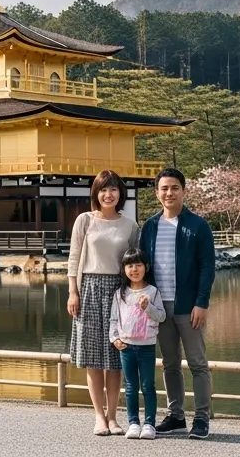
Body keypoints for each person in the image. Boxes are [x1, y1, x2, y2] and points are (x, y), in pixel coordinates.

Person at [139, 167, 216, 440]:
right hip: (160, 308)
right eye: (164, 188)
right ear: (157, 192)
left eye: (174, 188)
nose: (169, 193)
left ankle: (202, 418)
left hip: (188, 306)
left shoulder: (197, 226)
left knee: (197, 362)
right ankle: (176, 416)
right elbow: (143, 267)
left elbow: (207, 267)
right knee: (170, 363)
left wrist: (201, 303)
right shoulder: (150, 226)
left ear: (184, 190)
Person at [67, 169, 139, 436]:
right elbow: (74, 259)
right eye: (103, 190)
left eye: (113, 189)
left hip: (119, 291)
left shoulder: (130, 225)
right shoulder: (84, 221)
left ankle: (113, 416)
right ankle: (98, 416)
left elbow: (135, 264)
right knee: (93, 359)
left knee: (116, 358)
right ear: (96, 194)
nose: (108, 195)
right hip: (89, 289)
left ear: (120, 193)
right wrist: (73, 292)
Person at [109, 248, 166, 440]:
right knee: (131, 386)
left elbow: (162, 316)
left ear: (146, 267)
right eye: (130, 265)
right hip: (126, 346)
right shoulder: (120, 294)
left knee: (148, 385)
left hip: (147, 346)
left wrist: (147, 307)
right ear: (124, 269)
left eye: (138, 264)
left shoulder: (152, 292)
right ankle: (133, 422)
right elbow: (113, 320)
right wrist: (114, 338)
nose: (134, 269)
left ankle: (149, 423)